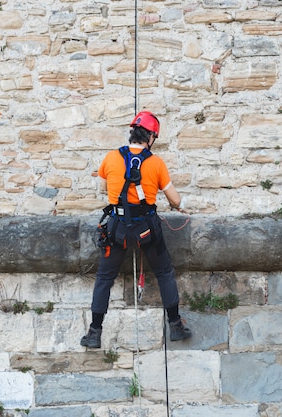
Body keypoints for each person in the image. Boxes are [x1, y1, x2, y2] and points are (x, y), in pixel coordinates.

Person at [81, 110, 192, 349]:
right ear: (150, 136)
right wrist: (181, 207)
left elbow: (104, 186)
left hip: (117, 228)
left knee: (104, 278)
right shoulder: (156, 163)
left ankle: (94, 332)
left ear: (132, 132)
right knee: (164, 272)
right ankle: (175, 325)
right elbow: (173, 199)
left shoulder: (111, 158)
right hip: (146, 229)